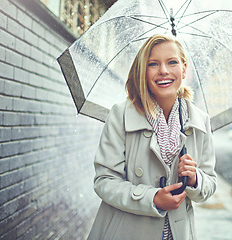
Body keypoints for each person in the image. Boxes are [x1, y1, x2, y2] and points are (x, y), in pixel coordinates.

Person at [87, 33, 217, 240]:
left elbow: (210, 183)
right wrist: (153, 198)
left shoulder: (200, 121)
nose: (163, 71)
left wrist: (195, 179)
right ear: (143, 71)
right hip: (127, 231)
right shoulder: (121, 115)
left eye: (172, 62)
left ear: (184, 69)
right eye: (153, 64)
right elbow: (104, 181)